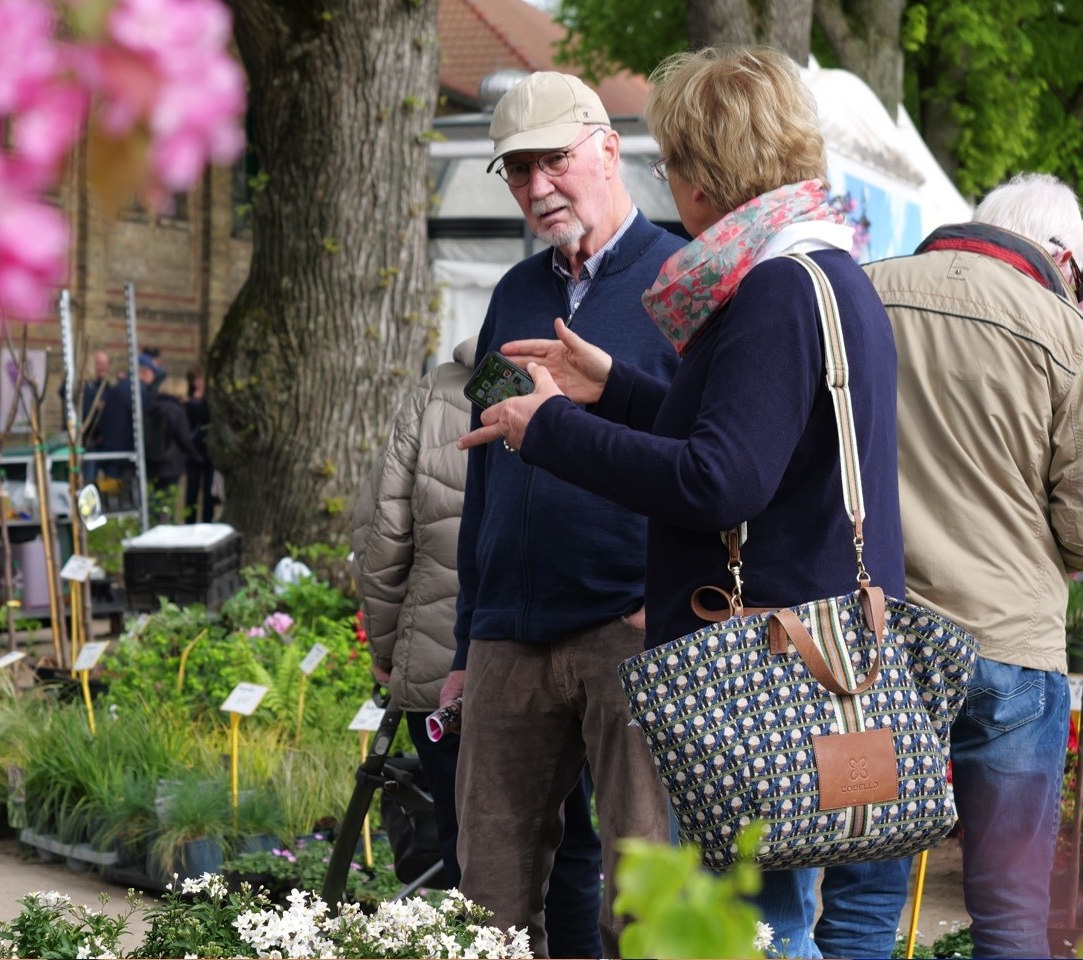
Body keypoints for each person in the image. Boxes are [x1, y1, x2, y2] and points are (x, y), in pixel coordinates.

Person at [462, 47, 907, 957]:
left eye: (672, 161)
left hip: (761, 658)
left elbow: (719, 478)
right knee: (764, 915)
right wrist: (616, 388)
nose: (672, 182)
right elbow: (741, 437)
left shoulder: (772, 288)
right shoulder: (824, 270)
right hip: (796, 649)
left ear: (707, 170)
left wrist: (550, 429)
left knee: (749, 927)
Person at [440, 70, 682, 958]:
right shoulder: (510, 293)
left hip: (631, 631)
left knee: (643, 907)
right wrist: (471, 641)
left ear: (610, 148)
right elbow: (489, 478)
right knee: (488, 904)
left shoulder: (683, 282)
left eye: (555, 161)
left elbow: (718, 463)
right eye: (517, 169)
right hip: (510, 639)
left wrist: (671, 599)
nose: (537, 186)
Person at [861, 172, 1083, 958]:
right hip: (1013, 652)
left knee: (859, 906)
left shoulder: (862, 295)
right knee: (1013, 914)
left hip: (871, 649)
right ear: (1058, 253)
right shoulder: (1065, 332)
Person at [352, 337, 606, 960]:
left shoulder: (437, 389)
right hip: (569, 649)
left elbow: (382, 534)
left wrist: (387, 651)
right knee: (572, 847)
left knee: (473, 853)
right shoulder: (594, 380)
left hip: (446, 665)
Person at [79, 350, 134, 484]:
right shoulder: (85, 386)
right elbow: (82, 414)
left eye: (105, 363)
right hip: (89, 443)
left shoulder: (109, 386)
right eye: (99, 364)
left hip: (106, 444)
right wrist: (95, 408)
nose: (103, 367)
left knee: (112, 482)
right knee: (89, 481)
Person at [145, 375, 203, 504]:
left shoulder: (152, 407)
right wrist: (198, 457)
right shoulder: (176, 411)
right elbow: (184, 439)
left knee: (153, 501)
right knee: (167, 502)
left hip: (152, 461)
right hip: (170, 464)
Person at [183, 367, 217, 523]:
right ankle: (189, 520)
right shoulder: (188, 401)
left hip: (209, 449)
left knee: (209, 490)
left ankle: (207, 520)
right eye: (195, 380)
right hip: (194, 450)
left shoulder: (212, 400)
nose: (199, 383)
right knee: (192, 489)